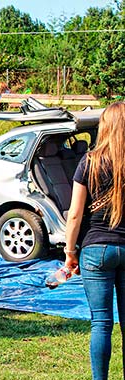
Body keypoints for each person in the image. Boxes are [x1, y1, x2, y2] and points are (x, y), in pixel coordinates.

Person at [64, 102, 125, 380]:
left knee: (101, 323)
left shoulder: (89, 161)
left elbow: (75, 215)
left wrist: (69, 252)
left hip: (95, 249)